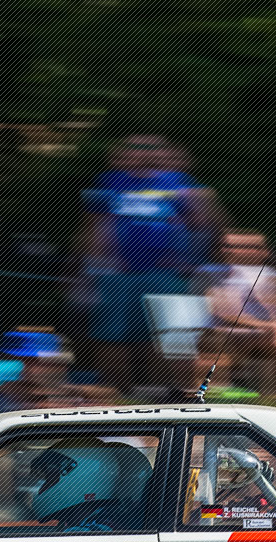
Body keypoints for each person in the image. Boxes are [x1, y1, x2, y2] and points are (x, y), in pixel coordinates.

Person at [77, 134, 223, 391]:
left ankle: (164, 394)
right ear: (118, 155)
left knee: (172, 339)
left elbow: (204, 225)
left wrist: (193, 262)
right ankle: (118, 394)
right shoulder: (108, 183)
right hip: (117, 275)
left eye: (150, 149)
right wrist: (86, 269)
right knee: (111, 337)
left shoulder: (179, 183)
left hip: (168, 275)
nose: (142, 154)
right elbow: (92, 227)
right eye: (133, 149)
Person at [197, 231, 276, 394]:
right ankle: (270, 391)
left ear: (265, 252)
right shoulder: (214, 273)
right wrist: (271, 326)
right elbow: (225, 312)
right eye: (232, 246)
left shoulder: (270, 274)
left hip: (261, 333)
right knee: (269, 336)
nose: (238, 251)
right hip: (220, 332)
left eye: (250, 246)